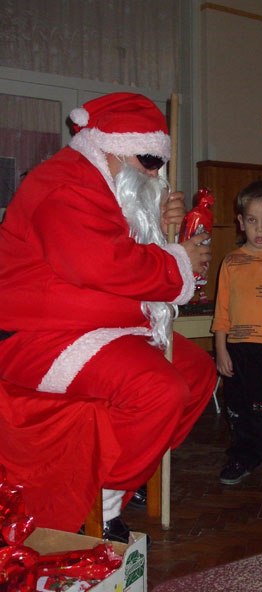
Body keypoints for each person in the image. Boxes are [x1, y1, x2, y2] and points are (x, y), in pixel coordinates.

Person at [0, 92, 217, 542]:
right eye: (148, 161)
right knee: (159, 391)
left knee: (197, 373)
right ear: (113, 146)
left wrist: (158, 221)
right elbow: (104, 263)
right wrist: (178, 261)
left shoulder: (105, 178)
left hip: (102, 327)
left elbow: (120, 232)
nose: (155, 173)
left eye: (160, 163)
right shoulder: (63, 185)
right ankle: (98, 503)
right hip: (40, 336)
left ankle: (120, 478)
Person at [212, 180, 262, 492]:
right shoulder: (231, 262)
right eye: (252, 220)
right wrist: (221, 350)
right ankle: (243, 456)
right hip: (237, 349)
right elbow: (222, 311)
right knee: (239, 407)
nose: (259, 228)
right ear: (241, 222)